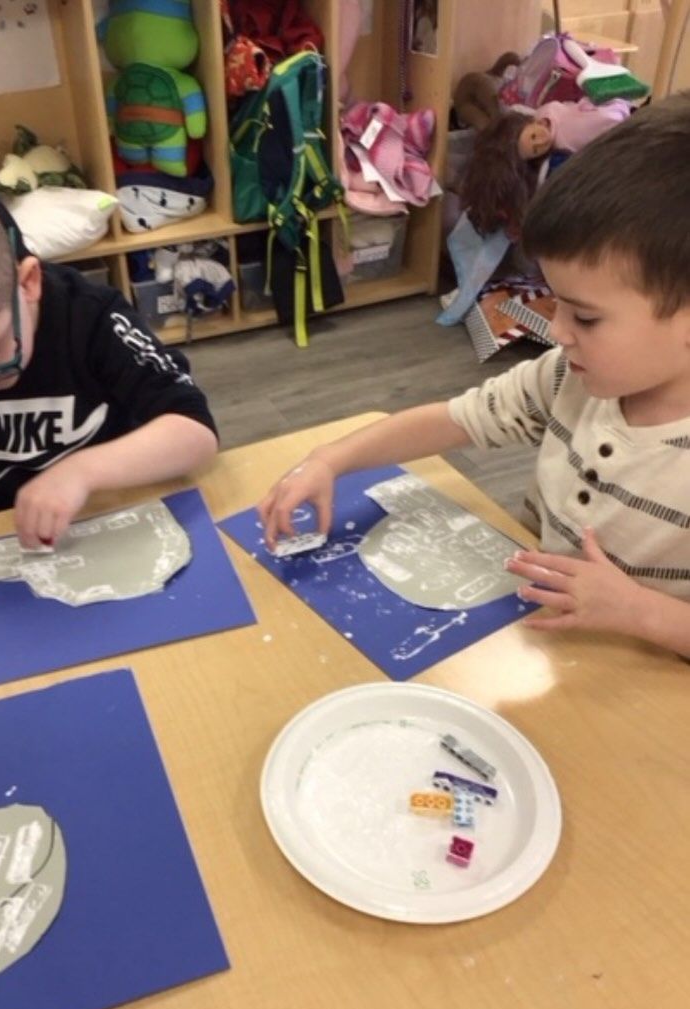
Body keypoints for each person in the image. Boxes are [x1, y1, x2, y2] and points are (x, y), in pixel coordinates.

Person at [259, 93, 690, 658]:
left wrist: (639, 611)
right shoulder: (571, 377)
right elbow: (453, 420)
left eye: (585, 315)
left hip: (648, 689)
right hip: (550, 644)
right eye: (557, 303)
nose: (557, 329)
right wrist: (329, 459)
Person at [0, 162, 218, 639]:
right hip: (26, 542)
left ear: (26, 284)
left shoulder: (91, 318)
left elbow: (194, 433)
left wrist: (80, 472)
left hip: (134, 512)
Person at [460, 98, 630, 238]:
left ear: (534, 123)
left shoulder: (544, 115)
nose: (541, 142)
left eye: (534, 136)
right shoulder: (555, 155)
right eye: (535, 150)